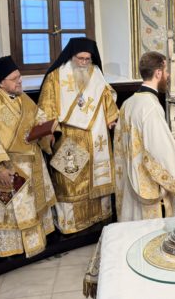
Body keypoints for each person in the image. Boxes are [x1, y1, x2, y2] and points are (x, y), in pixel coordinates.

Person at [0, 56, 56, 257]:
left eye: (19, 76)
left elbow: (39, 117)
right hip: (10, 168)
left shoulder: (24, 99)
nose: (20, 81)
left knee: (34, 207)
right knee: (11, 212)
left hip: (33, 163)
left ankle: (36, 244)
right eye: (14, 78)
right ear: (1, 82)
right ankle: (13, 250)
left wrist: (46, 132)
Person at [38, 37, 119, 234]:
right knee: (70, 181)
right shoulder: (55, 77)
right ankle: (71, 224)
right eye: (80, 58)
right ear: (71, 56)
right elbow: (47, 106)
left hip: (95, 136)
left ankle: (99, 217)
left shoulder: (96, 73)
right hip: (69, 137)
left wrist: (111, 118)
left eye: (87, 59)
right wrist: (49, 132)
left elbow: (106, 97)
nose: (83, 63)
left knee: (95, 178)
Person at [113, 51, 175, 221]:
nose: (168, 76)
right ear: (158, 73)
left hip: (130, 187)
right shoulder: (150, 106)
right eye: (166, 71)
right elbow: (160, 152)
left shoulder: (128, 103)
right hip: (148, 192)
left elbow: (119, 149)